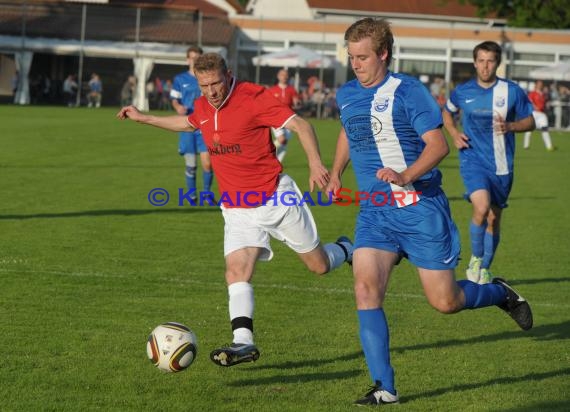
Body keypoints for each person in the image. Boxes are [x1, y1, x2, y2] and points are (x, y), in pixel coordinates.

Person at [325, 18, 533, 406]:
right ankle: (385, 387)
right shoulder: (348, 93)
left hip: (420, 209)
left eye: (363, 57)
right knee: (365, 288)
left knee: (445, 302)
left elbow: (438, 146)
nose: (355, 64)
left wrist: (405, 175)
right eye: (350, 56)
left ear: (384, 53)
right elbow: (348, 131)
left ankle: (498, 293)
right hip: (376, 211)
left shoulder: (409, 92)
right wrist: (336, 171)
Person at [117, 52, 354, 368]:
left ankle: (347, 249)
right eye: (205, 85)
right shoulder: (203, 105)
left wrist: (314, 164)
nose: (211, 91)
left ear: (228, 74)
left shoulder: (252, 97)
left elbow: (301, 125)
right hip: (236, 208)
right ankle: (243, 343)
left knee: (319, 266)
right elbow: (189, 123)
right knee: (236, 272)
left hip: (275, 199)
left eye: (216, 83)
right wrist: (145, 117)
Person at [442, 41, 536, 284]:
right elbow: (447, 112)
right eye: (481, 60)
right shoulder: (462, 92)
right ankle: (476, 258)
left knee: (494, 219)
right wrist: (453, 134)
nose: (485, 66)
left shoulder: (512, 91)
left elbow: (531, 122)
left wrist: (511, 126)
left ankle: (484, 268)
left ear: (498, 63)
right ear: (474, 63)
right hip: (472, 160)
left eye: (490, 61)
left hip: (502, 166)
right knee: (481, 208)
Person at [170, 46, 213, 200]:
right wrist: (178, 106)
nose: (194, 60)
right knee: (191, 164)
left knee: (207, 164)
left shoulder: (208, 77)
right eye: (192, 57)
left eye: (197, 57)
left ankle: (207, 194)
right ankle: (192, 195)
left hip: (205, 126)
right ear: (187, 59)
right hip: (187, 125)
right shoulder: (180, 79)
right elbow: (174, 99)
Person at [267, 68, 301, 162]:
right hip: (275, 118)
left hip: (288, 118)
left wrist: (297, 103)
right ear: (278, 76)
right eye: (282, 75)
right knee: (281, 140)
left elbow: (296, 101)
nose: (284, 77)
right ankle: (267, 151)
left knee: (284, 142)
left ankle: (276, 162)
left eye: (286, 75)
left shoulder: (291, 90)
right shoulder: (272, 90)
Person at [523, 80, 555, 151]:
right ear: (536, 85)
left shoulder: (543, 94)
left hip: (542, 114)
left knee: (545, 129)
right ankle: (526, 146)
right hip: (534, 113)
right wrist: (534, 106)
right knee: (529, 129)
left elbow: (545, 103)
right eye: (539, 84)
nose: (540, 85)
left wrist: (547, 106)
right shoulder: (533, 93)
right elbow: (529, 101)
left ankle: (549, 147)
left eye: (541, 84)